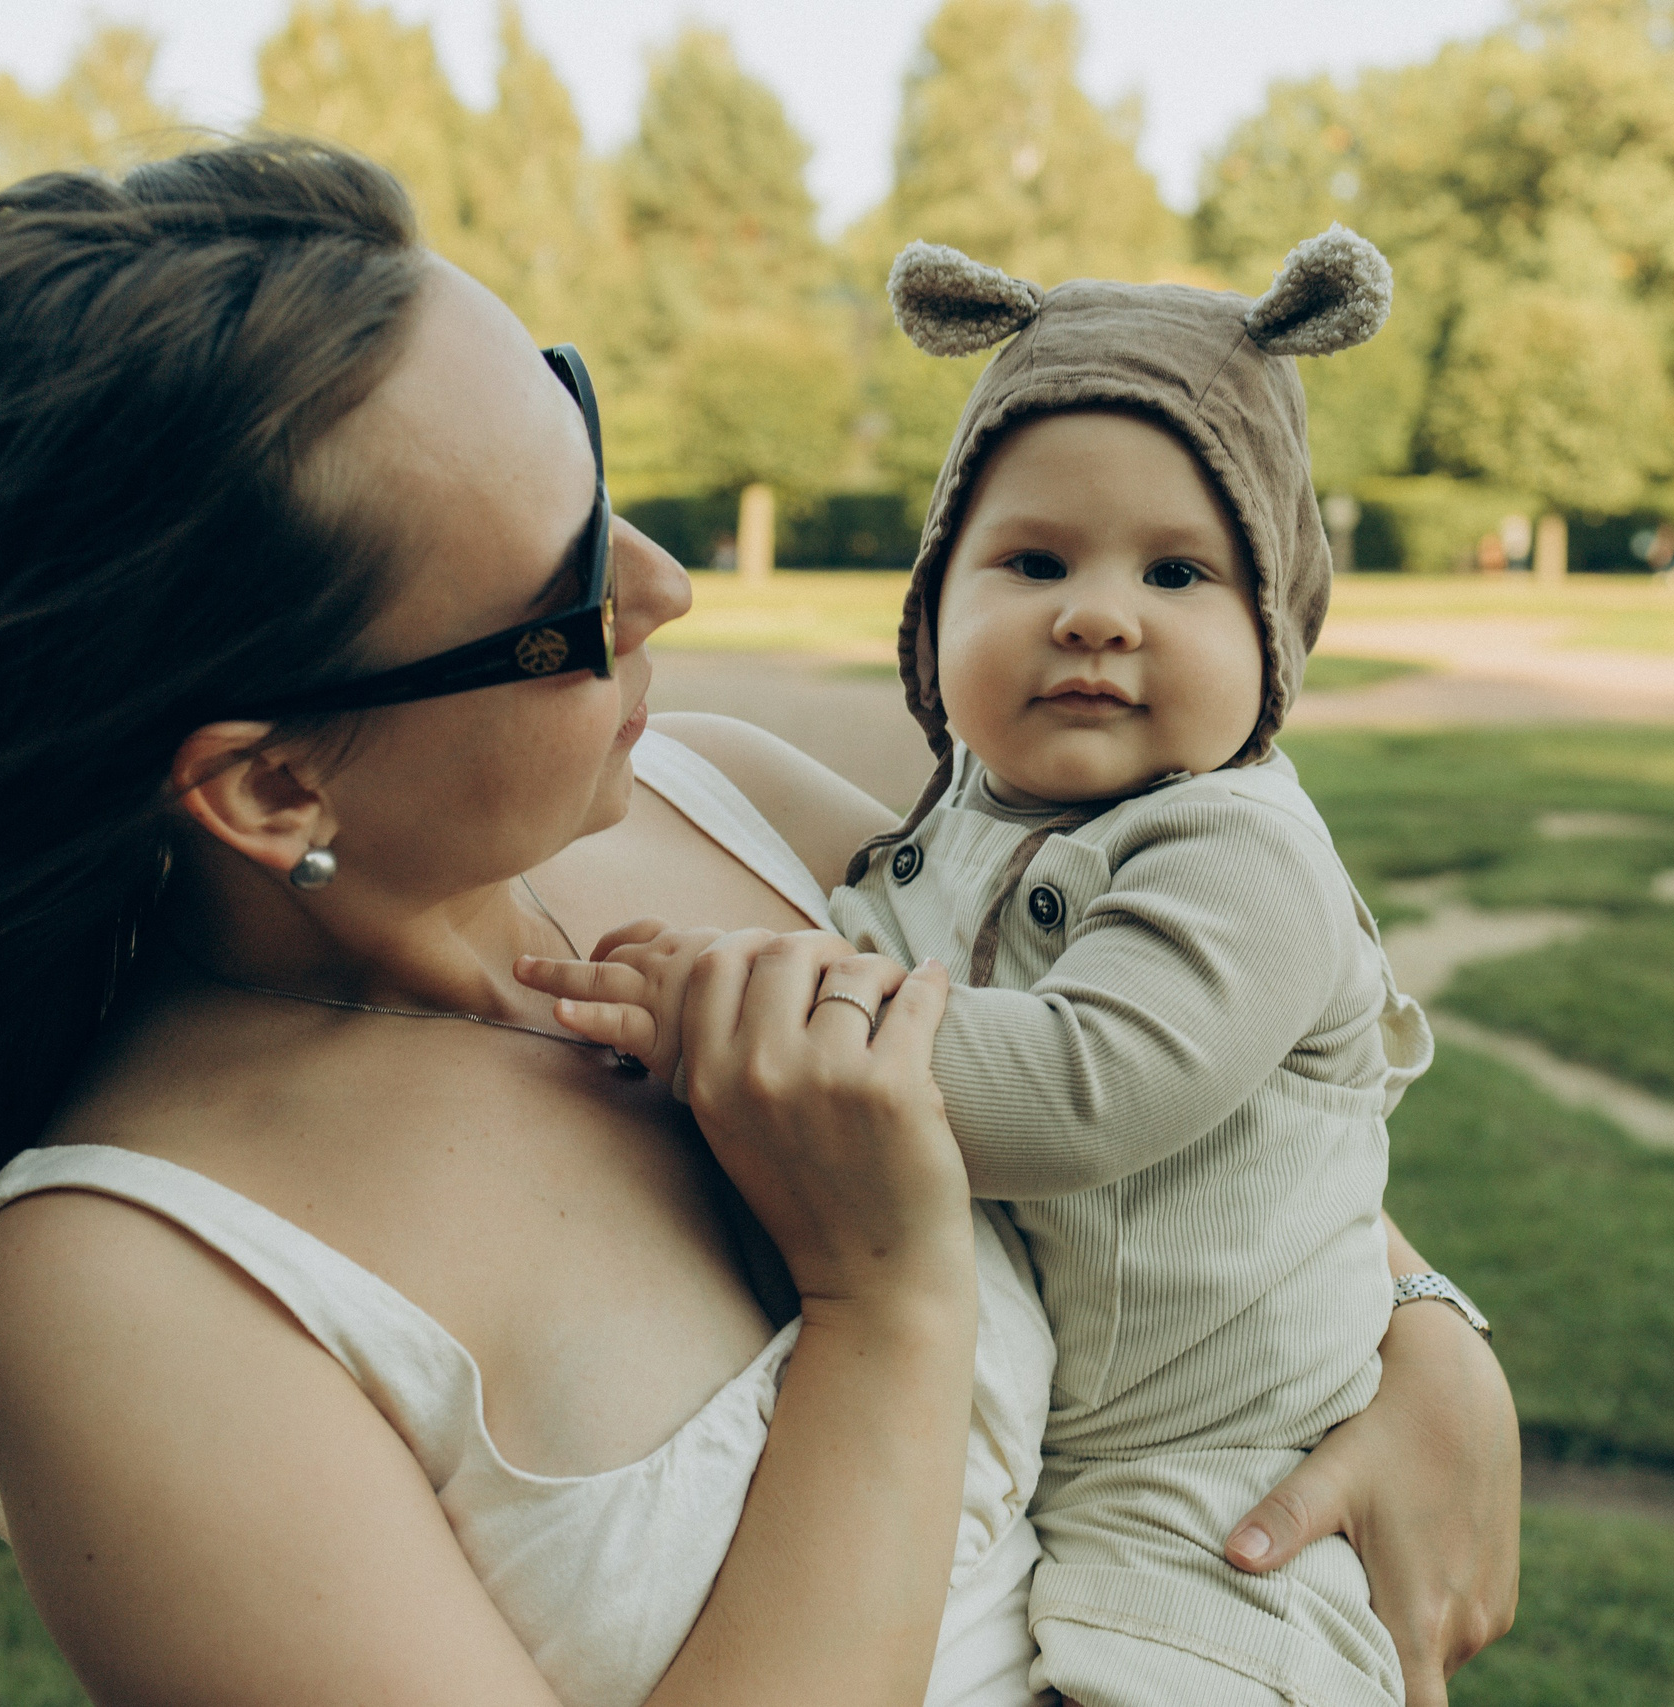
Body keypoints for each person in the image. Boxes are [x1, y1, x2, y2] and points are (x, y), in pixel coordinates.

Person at [0, 144, 1518, 1706]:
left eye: (591, 455)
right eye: (560, 594)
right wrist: (883, 1306)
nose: (661, 587)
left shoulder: (753, 811)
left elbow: (1195, 1123)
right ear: (269, 779)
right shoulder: (136, 1292)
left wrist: (1434, 1343)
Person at [521, 230, 1478, 1707]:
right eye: (1033, 561)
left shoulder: (1243, 854)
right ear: (935, 604)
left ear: (1275, 631)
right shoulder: (956, 826)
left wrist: (742, 1004)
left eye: (1180, 570)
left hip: (1225, 1458)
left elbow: (1085, 1093)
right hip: (1063, 1448)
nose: (1098, 612)